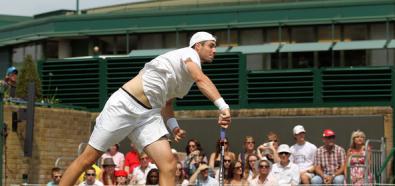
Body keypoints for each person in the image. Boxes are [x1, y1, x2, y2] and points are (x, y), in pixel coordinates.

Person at [59, 31, 231, 186]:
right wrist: (223, 106)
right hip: (124, 106)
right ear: (197, 46)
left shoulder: (187, 80)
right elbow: (202, 80)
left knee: (169, 165)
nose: (214, 50)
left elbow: (168, 102)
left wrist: (173, 127)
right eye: (211, 46)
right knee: (87, 159)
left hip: (149, 116)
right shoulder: (189, 54)